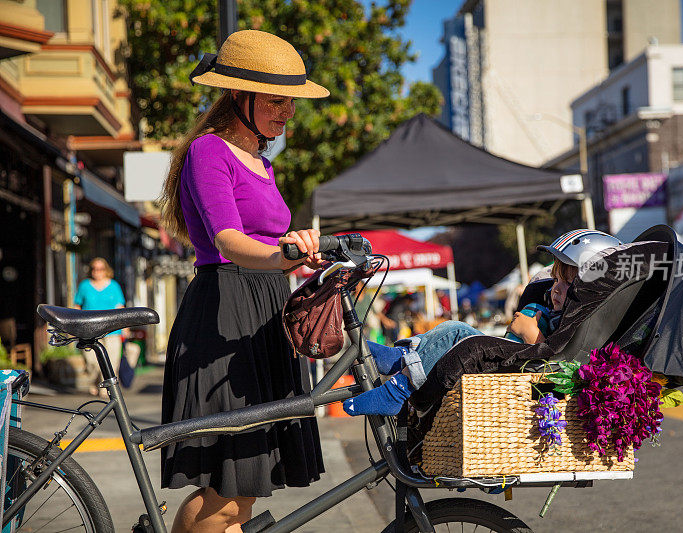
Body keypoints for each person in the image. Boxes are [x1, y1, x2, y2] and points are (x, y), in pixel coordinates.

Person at [158, 30, 329, 533]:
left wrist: (308, 259)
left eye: (290, 102)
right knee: (226, 489)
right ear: (239, 94)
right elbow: (230, 241)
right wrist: (284, 255)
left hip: (266, 314)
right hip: (224, 313)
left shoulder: (263, 163)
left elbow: (272, 245)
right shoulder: (208, 151)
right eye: (276, 101)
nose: (287, 113)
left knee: (249, 485)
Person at [343, 229, 621, 416]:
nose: (556, 289)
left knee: (456, 332)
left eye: (567, 283)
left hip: (518, 366)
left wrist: (531, 333)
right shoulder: (560, 311)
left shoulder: (580, 323)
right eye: (556, 280)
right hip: (510, 358)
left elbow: (554, 361)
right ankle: (400, 358)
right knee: (454, 330)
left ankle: (398, 388)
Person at [74, 257, 126, 396]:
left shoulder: (114, 286)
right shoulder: (85, 286)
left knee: (112, 360)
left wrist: (125, 327)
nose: (98, 272)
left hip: (112, 329)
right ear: (91, 271)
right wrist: (73, 325)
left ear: (106, 270)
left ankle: (106, 388)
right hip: (89, 330)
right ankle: (95, 381)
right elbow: (77, 306)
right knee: (91, 361)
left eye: (101, 269)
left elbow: (120, 307)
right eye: (95, 269)